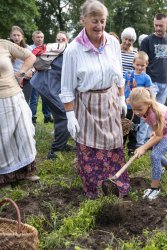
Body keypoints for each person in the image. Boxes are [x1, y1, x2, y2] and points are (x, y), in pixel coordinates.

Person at [59, 0, 129, 199]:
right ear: (83, 20)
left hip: (110, 100)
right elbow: (66, 87)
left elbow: (119, 74)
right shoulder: (73, 50)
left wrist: (122, 97)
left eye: (102, 21)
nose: (99, 26)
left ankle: (116, 187)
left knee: (114, 146)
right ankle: (94, 191)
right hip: (87, 104)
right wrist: (70, 116)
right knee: (90, 150)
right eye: (94, 21)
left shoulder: (113, 43)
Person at [127, 87, 167, 200]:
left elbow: (159, 136)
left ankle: (155, 188)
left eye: (139, 109)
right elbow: (157, 128)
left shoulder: (154, 113)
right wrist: (154, 131)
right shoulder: (147, 109)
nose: (136, 112)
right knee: (156, 152)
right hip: (165, 129)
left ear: (148, 104)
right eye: (133, 109)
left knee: (155, 155)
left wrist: (143, 147)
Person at [0, 39, 39, 185]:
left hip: (15, 95)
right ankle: (6, 178)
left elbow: (31, 56)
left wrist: (21, 72)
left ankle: (26, 172)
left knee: (25, 133)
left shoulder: (4, 44)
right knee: (3, 140)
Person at [31, 31, 73, 160]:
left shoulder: (69, 52)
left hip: (51, 86)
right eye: (58, 39)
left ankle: (63, 142)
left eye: (63, 39)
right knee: (65, 114)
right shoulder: (58, 50)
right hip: (46, 85)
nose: (60, 41)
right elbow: (38, 64)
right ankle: (55, 150)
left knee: (58, 114)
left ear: (68, 40)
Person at [140, 13, 167, 104]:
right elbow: (142, 63)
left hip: (166, 82)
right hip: (151, 82)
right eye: (156, 25)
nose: (158, 28)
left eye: (161, 25)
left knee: (159, 112)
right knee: (148, 109)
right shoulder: (147, 41)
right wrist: (144, 82)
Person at [124, 51, 152, 154]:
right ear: (133, 63)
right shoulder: (128, 74)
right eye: (138, 65)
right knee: (124, 126)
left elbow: (148, 92)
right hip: (126, 106)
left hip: (137, 109)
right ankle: (120, 146)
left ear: (146, 65)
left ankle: (132, 148)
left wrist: (138, 88)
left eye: (142, 65)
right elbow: (122, 87)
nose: (140, 67)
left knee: (134, 128)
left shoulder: (146, 78)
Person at [29, 30, 53, 125]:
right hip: (34, 75)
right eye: (37, 37)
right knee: (34, 98)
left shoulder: (47, 48)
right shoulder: (29, 49)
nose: (40, 39)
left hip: (45, 75)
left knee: (46, 97)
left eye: (41, 37)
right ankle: (32, 117)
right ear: (33, 38)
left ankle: (47, 116)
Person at [9, 26, 33, 103]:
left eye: (18, 35)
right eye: (14, 35)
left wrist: (31, 71)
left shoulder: (28, 49)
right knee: (13, 102)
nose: (16, 37)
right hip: (12, 79)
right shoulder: (6, 48)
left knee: (25, 102)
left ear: (22, 36)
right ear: (10, 36)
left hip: (26, 79)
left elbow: (35, 64)